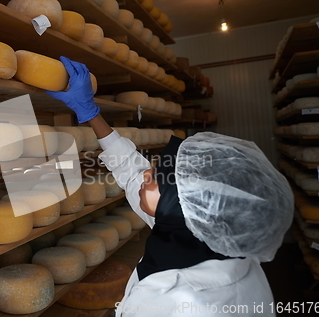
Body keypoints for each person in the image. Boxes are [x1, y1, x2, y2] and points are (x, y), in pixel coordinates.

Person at [46, 56, 294, 316]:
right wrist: (91, 112)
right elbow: (132, 169)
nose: (146, 175)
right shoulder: (202, 233)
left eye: (158, 177)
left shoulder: (192, 306)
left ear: (179, 204)